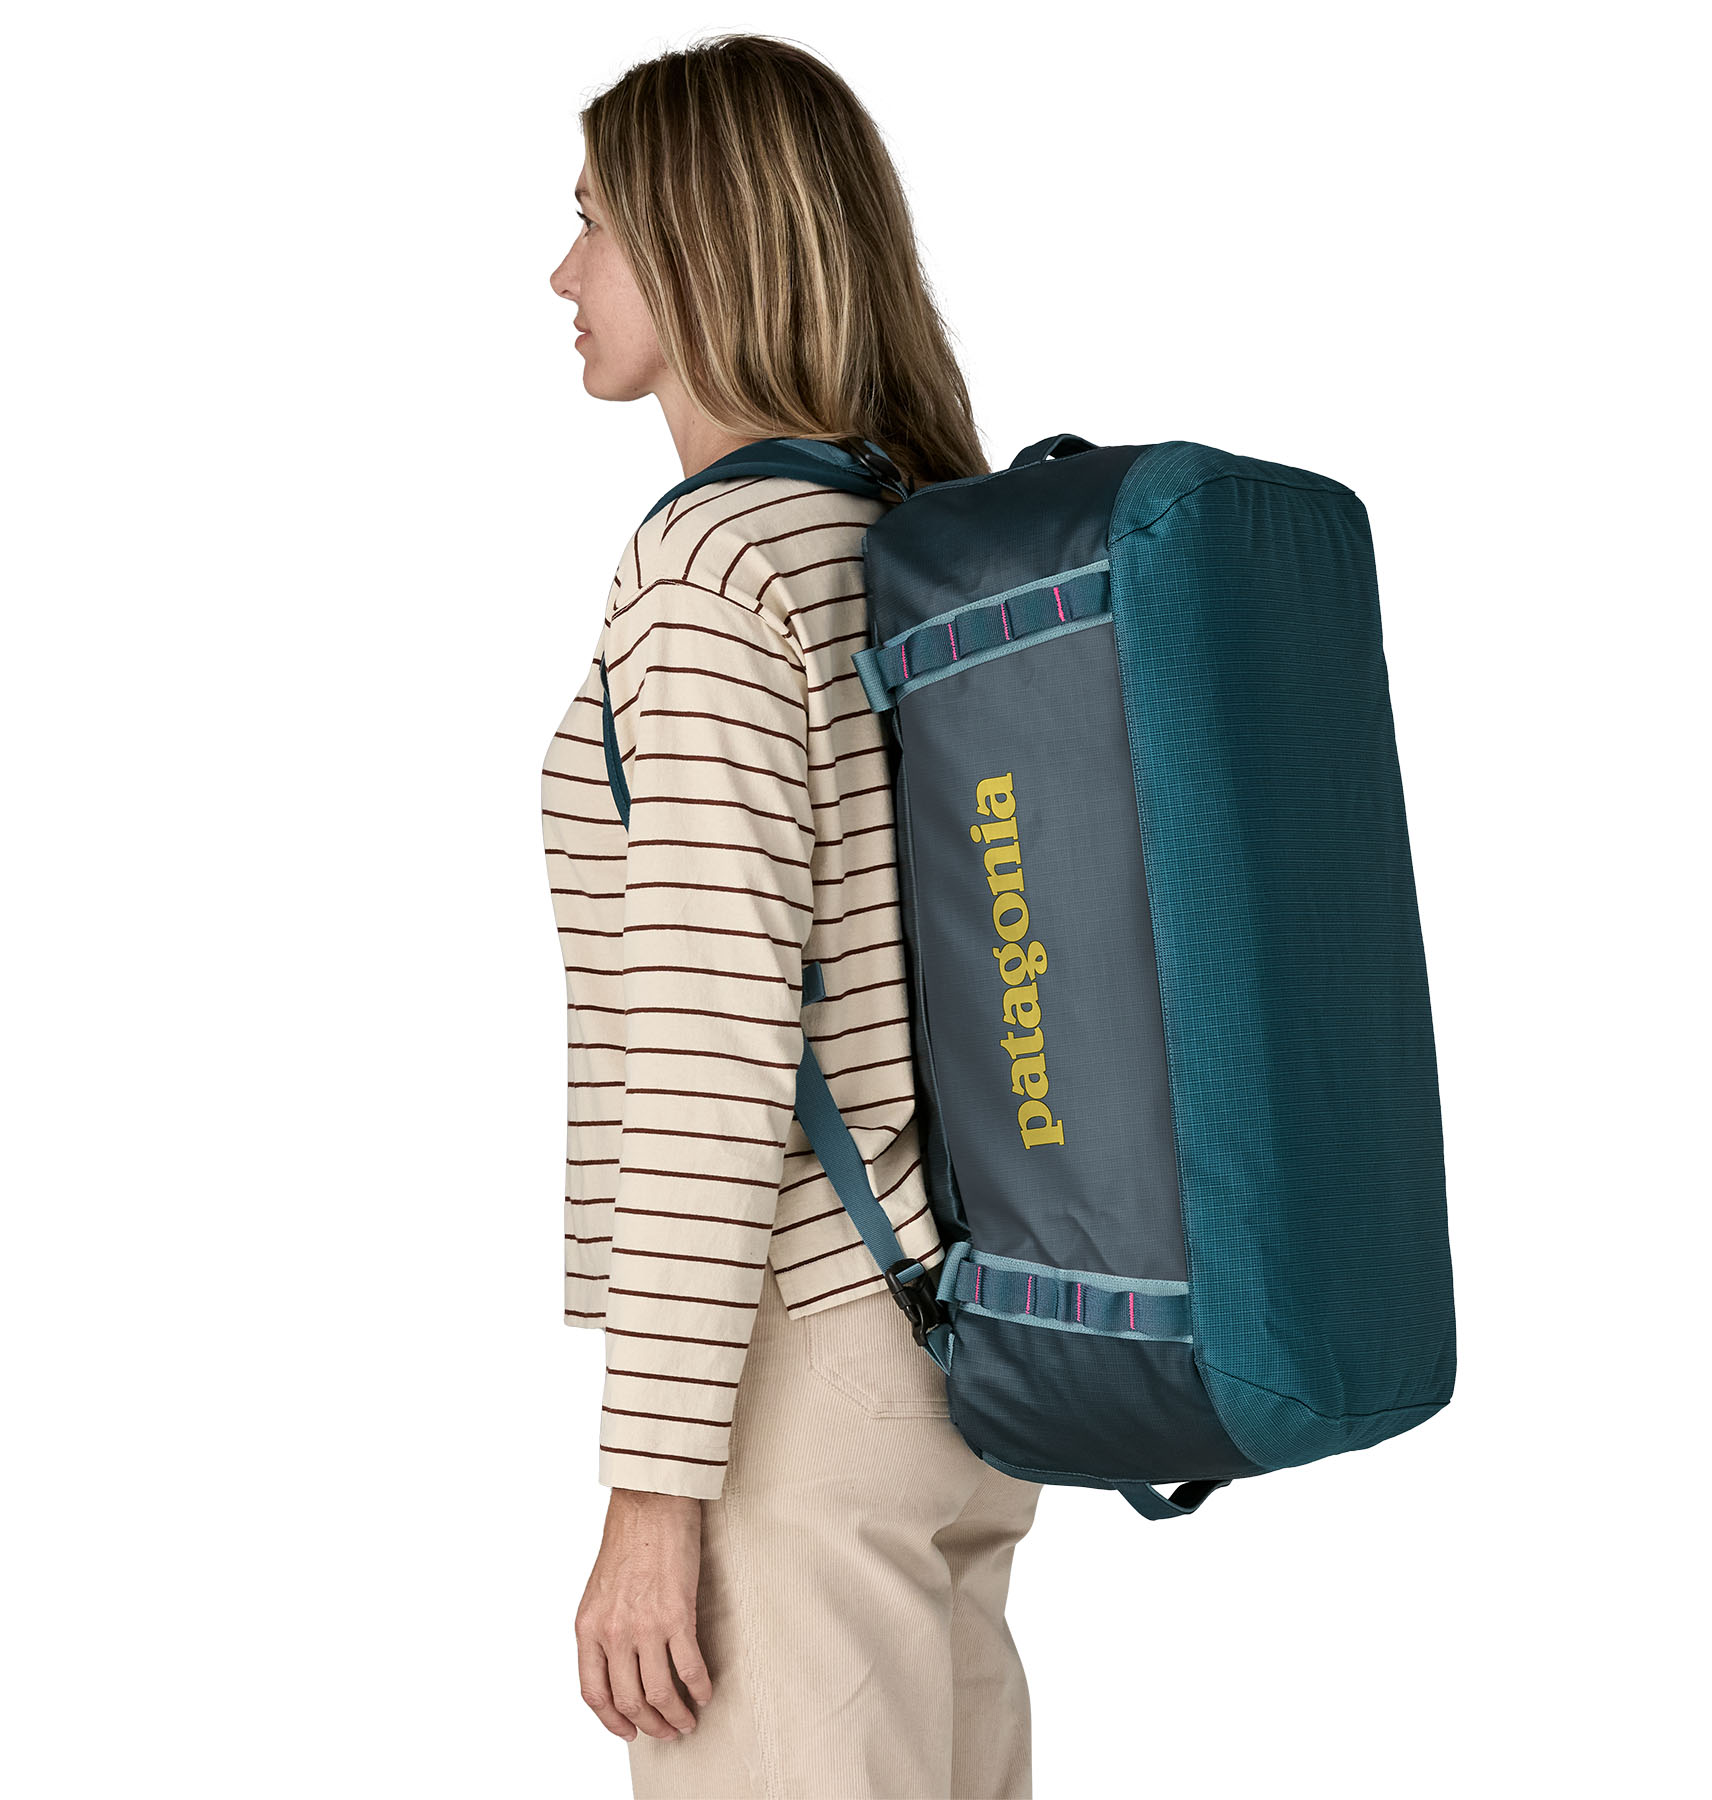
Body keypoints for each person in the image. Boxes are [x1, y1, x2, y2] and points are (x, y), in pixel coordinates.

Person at [543, 35, 1042, 1800]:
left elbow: (712, 1045)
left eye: (595, 221)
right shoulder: (905, 538)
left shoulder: (712, 572)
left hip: (796, 1378)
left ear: (700, 243)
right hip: (957, 1351)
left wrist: (653, 1494)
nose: (563, 273)